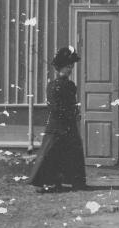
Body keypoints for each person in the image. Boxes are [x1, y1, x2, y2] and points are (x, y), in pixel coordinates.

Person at [29, 47, 88, 193]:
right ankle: (46, 183)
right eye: (68, 67)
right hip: (57, 125)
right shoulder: (53, 86)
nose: (70, 70)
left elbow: (72, 103)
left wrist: (75, 112)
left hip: (69, 125)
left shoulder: (70, 85)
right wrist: (69, 114)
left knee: (72, 154)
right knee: (51, 154)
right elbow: (54, 107)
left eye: (71, 67)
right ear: (60, 68)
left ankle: (75, 182)